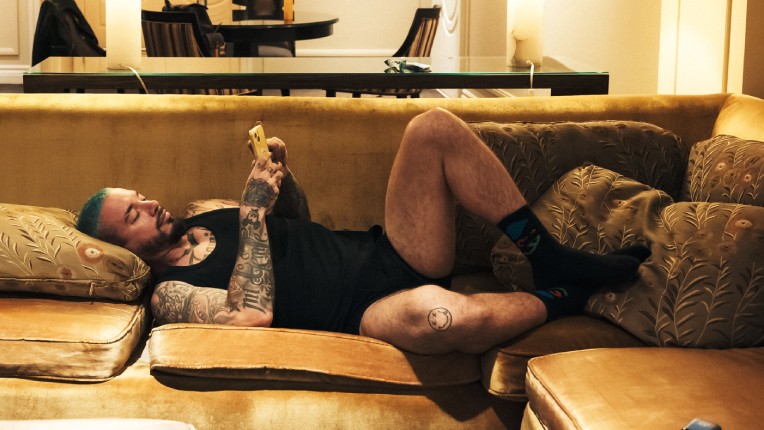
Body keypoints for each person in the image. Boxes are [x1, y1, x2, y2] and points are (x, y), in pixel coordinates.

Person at [78, 108, 649, 355]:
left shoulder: (207, 212)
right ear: (121, 249)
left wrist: (283, 182)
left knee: (431, 127)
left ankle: (547, 254)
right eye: (133, 215)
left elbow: (296, 225)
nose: (150, 204)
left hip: (388, 251)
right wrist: (251, 212)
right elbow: (249, 318)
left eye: (140, 197)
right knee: (448, 317)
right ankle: (566, 294)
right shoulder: (170, 293)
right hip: (366, 312)